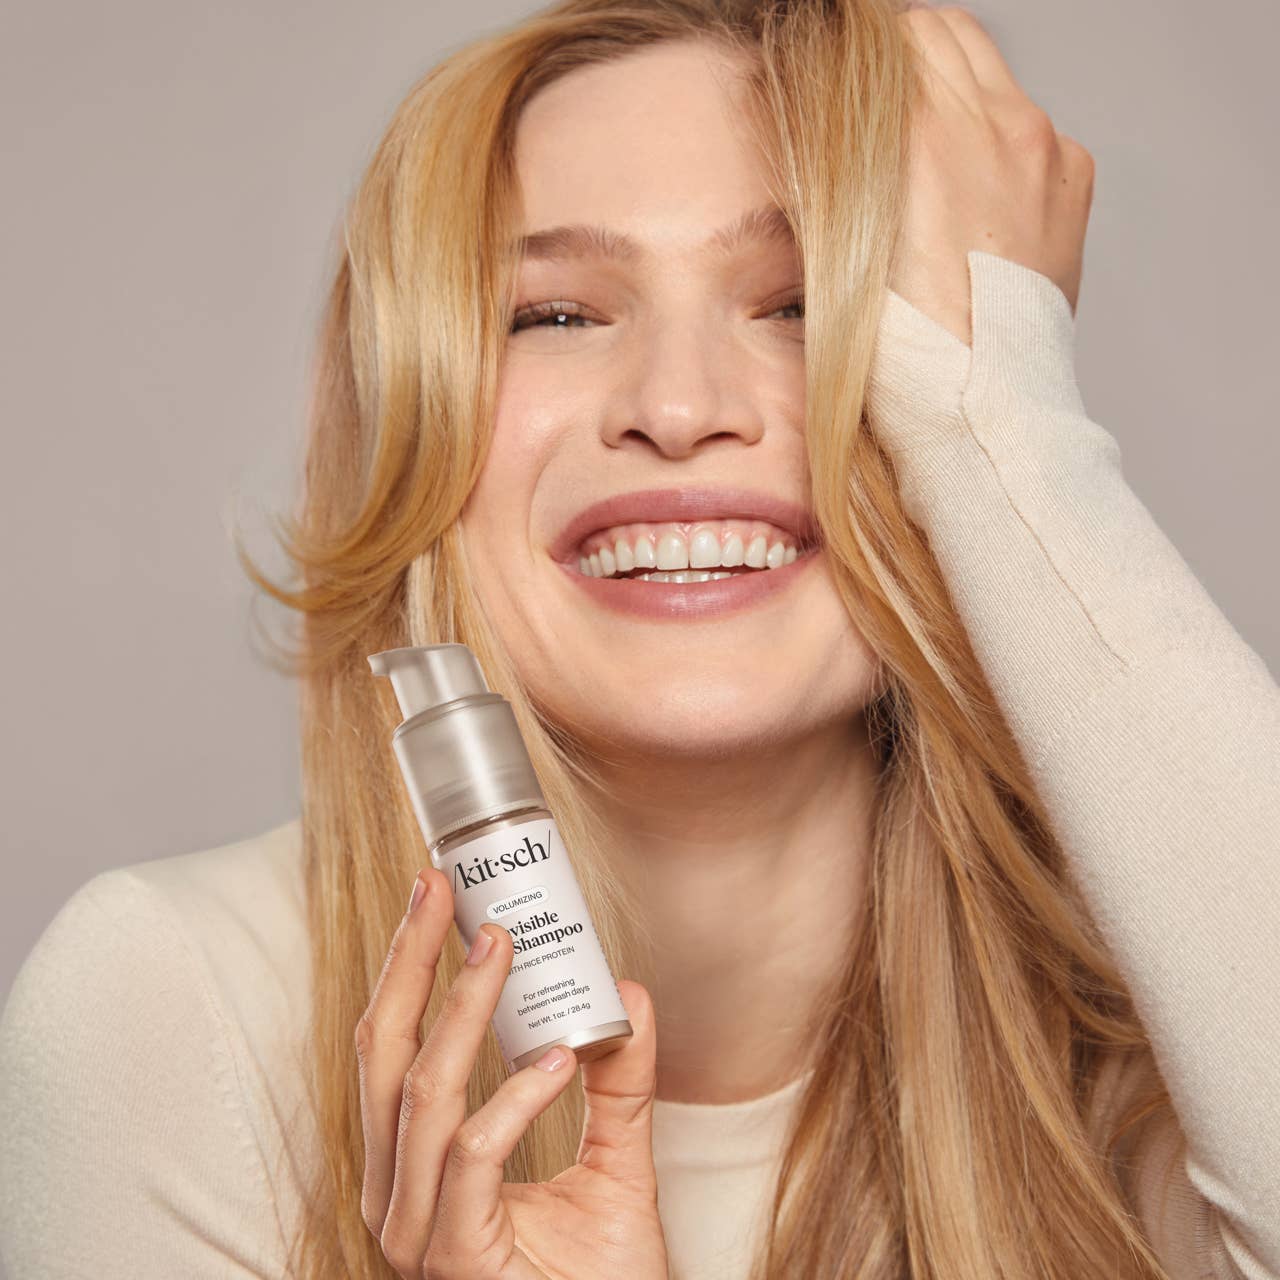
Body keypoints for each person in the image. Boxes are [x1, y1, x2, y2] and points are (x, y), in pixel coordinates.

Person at [2, 0, 1277, 1277]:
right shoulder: (178, 1012)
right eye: (554, 315)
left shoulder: (1169, 1032)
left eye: (793, 302)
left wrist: (1002, 430)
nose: (676, 408)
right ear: (416, 436)